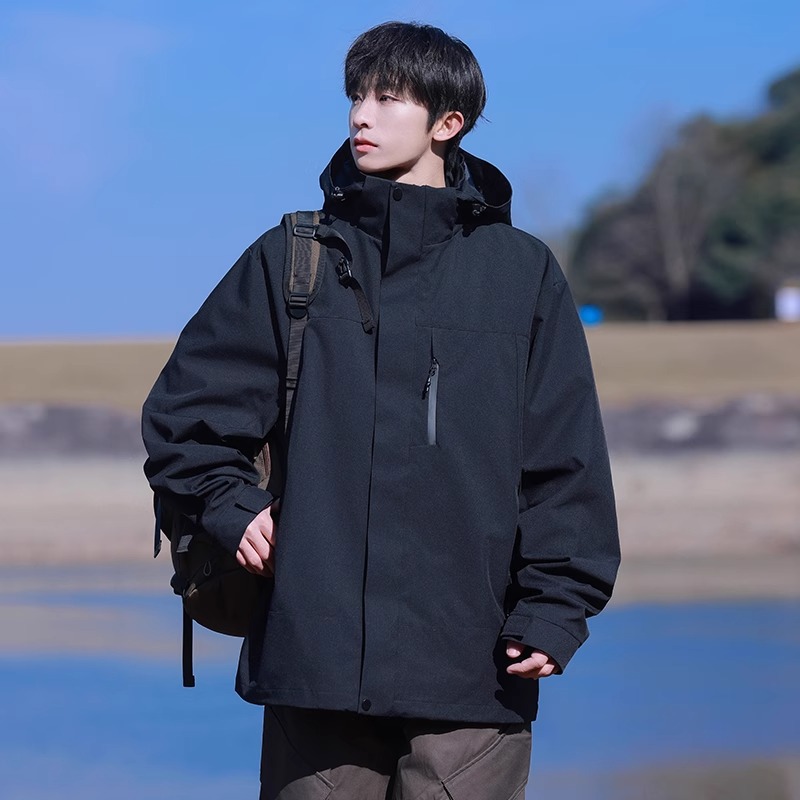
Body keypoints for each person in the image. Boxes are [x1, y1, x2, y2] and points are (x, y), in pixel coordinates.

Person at [142, 20, 620, 800]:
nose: (360, 115)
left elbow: (566, 463)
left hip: (475, 669)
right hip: (315, 665)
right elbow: (183, 419)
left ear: (447, 122)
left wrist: (555, 610)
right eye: (355, 96)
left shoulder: (522, 274)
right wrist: (231, 507)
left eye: (387, 98)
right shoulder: (290, 260)